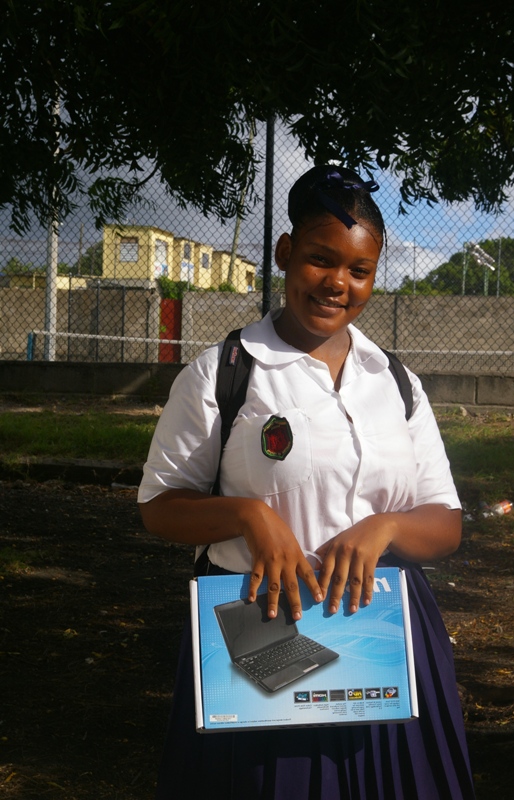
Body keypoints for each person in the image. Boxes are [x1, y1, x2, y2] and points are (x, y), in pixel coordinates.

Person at [138, 165, 476, 800]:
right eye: (322, 260)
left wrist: (388, 527)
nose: (337, 284)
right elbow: (161, 507)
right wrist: (247, 516)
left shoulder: (394, 382)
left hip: (384, 638)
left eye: (359, 270)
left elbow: (446, 521)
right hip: (261, 628)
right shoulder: (225, 372)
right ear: (286, 253)